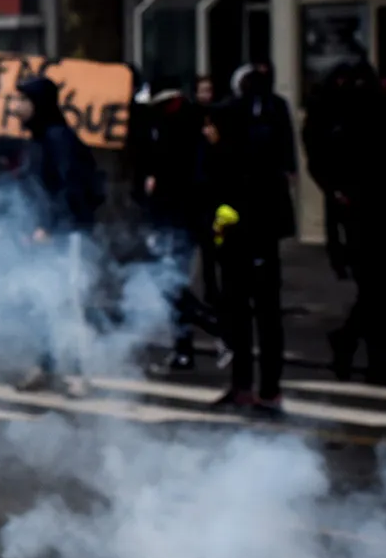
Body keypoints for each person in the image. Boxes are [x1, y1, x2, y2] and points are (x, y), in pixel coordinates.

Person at [305, 59, 386, 383]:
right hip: (369, 217)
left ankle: (355, 345)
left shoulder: (348, 132)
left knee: (375, 291)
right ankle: (372, 359)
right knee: (376, 292)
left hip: (370, 216)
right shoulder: (356, 131)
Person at [206, 62, 298, 413]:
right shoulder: (271, 120)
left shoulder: (235, 137)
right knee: (262, 312)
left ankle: (249, 387)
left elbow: (218, 182)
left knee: (245, 312)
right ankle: (263, 389)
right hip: (260, 232)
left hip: (243, 232)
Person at [13, 75, 104, 396]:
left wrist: (52, 227)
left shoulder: (59, 138)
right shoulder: (39, 138)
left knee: (71, 301)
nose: (16, 107)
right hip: (45, 233)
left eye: (22, 100)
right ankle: (45, 365)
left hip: (68, 234)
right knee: (45, 301)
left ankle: (80, 372)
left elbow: (72, 188)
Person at [127, 85, 215, 372]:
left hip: (177, 217)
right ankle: (187, 343)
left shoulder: (180, 124)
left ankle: (207, 331)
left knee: (171, 281)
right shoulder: (165, 122)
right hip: (173, 216)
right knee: (171, 282)